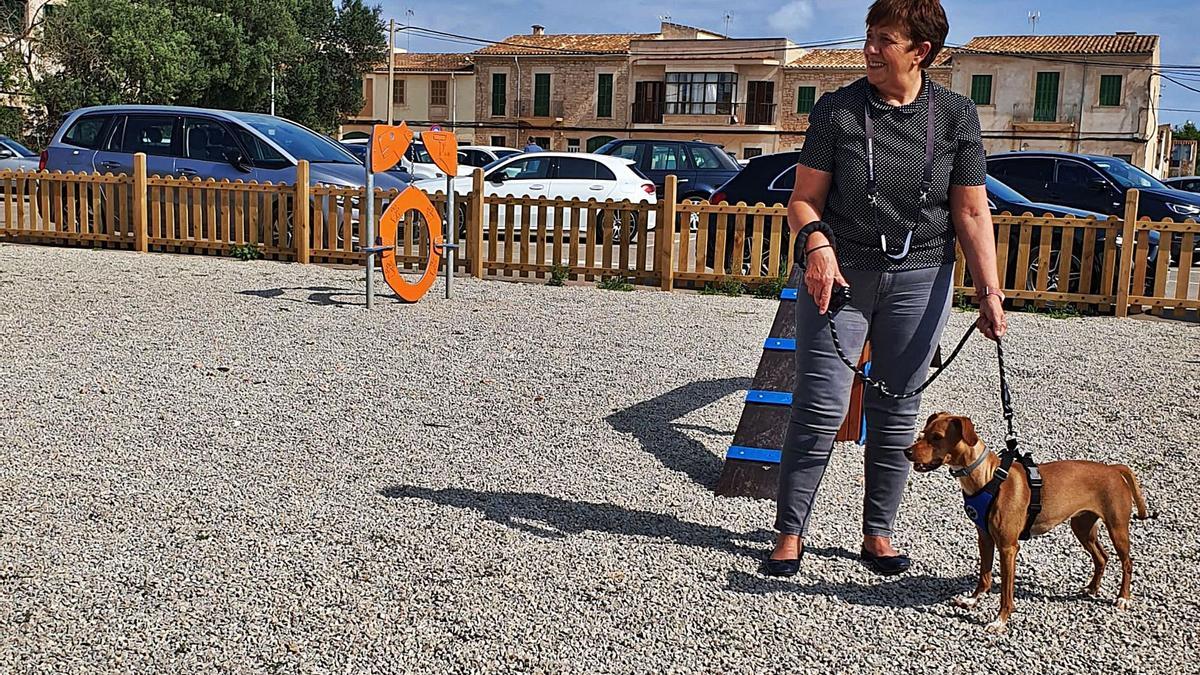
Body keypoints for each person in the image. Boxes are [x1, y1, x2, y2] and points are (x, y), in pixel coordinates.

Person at [765, 0, 1007, 578]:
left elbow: (972, 212)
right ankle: (790, 532)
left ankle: (879, 532)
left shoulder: (955, 115)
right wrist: (817, 246)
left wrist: (989, 291)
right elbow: (802, 201)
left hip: (922, 276)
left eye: (883, 40)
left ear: (919, 51)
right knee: (819, 405)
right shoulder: (837, 110)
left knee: (898, 409)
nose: (869, 48)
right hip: (840, 272)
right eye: (869, 36)